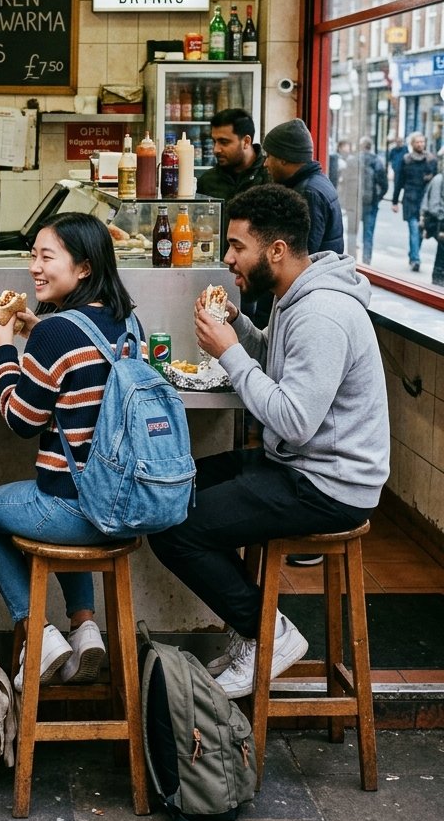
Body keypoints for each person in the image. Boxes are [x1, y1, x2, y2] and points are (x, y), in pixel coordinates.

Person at [149, 184, 388, 699]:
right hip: (298, 465)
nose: (228, 258)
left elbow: (295, 418)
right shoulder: (291, 297)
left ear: (276, 251)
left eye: (237, 247)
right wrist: (244, 329)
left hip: (328, 486)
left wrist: (231, 352)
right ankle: (256, 631)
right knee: (173, 490)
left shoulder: (321, 313)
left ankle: (268, 633)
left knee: (175, 527)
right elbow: (284, 369)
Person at [0, 212, 140, 691]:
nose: (34, 267)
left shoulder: (55, 333)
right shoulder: (129, 323)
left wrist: (4, 348)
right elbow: (78, 384)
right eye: (33, 255)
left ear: (83, 268)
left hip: (75, 511)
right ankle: (86, 629)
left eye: (47, 257)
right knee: (75, 486)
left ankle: (40, 634)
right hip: (120, 503)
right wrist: (34, 332)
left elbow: (22, 421)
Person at [262, 118, 344, 254]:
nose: (265, 163)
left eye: (269, 156)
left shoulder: (308, 193)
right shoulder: (316, 182)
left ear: (283, 158)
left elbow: (302, 254)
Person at [197, 107, 271, 255]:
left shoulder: (268, 178)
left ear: (246, 141)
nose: (216, 149)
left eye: (224, 142)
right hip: (216, 267)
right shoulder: (208, 181)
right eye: (214, 141)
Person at [391, 131, 435, 272]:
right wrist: (395, 201)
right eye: (418, 142)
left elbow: (434, 180)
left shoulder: (430, 160)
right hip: (410, 199)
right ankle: (416, 259)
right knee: (414, 228)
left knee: (420, 229)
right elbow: (399, 181)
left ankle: (413, 254)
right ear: (412, 144)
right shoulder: (406, 160)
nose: (420, 144)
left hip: (424, 200)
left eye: (422, 142)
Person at [356, 136, 388, 265]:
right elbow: (384, 185)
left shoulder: (355, 160)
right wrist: (377, 198)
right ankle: (366, 260)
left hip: (357, 202)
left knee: (352, 232)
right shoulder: (377, 162)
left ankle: (351, 257)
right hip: (371, 203)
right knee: (368, 233)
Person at [334, 139, 362, 257]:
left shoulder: (348, 162)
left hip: (350, 201)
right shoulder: (341, 161)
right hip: (347, 201)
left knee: (351, 230)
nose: (347, 149)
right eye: (345, 146)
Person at [420, 156, 444, 287]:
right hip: (441, 224)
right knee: (441, 254)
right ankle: (437, 281)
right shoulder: (439, 179)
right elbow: (434, 206)